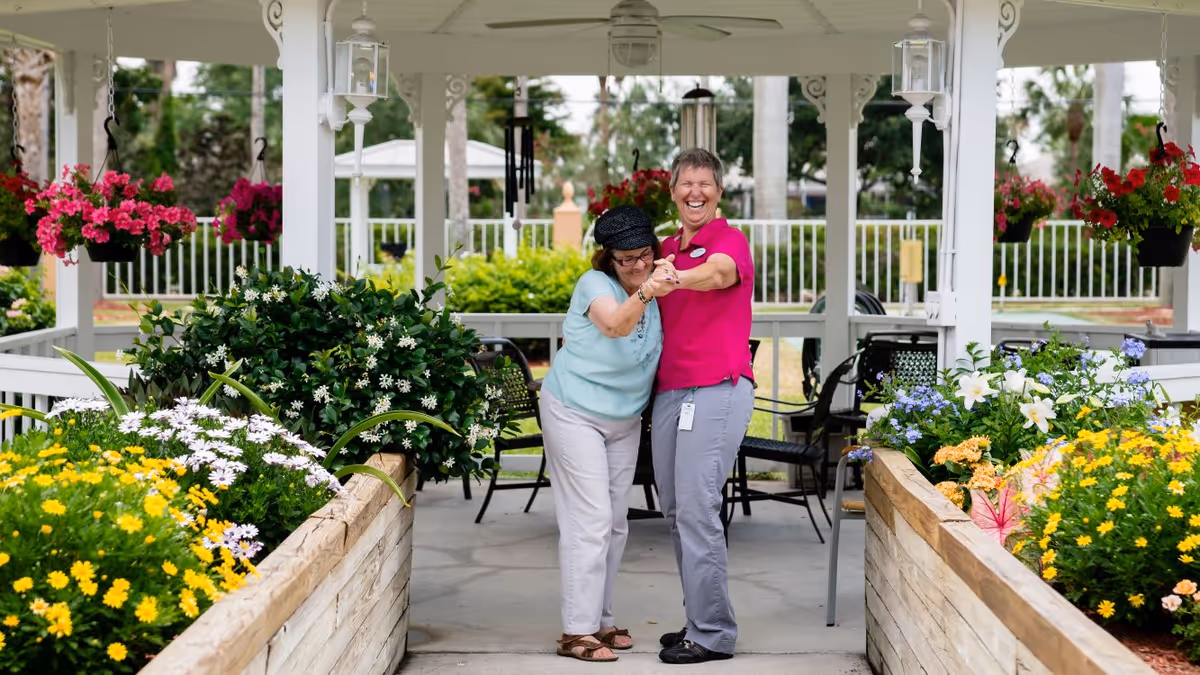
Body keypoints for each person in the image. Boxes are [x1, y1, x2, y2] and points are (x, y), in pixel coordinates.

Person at [540, 205, 675, 663]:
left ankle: (601, 619)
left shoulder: (655, 293)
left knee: (616, 524)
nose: (637, 265)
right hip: (574, 412)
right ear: (608, 258)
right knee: (590, 519)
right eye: (626, 258)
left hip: (623, 420)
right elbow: (616, 325)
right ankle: (575, 632)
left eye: (644, 254)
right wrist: (649, 290)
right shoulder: (595, 285)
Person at [650, 148, 755, 665]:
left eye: (705, 184)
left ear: (718, 193)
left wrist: (670, 278)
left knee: (697, 507)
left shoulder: (728, 241)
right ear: (672, 191)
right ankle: (698, 618)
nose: (695, 192)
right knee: (676, 510)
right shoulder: (665, 247)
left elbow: (716, 275)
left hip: (716, 388)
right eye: (686, 184)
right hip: (671, 393)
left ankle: (713, 633)